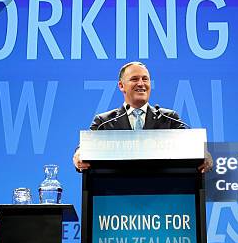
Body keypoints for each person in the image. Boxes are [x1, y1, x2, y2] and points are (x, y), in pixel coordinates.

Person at [72, 61, 212, 172]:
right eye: (134, 79)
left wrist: (204, 154)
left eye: (145, 79)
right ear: (121, 86)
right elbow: (83, 149)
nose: (141, 83)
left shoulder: (169, 119)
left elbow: (192, 148)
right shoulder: (104, 122)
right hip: (115, 196)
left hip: (164, 196)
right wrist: (79, 154)